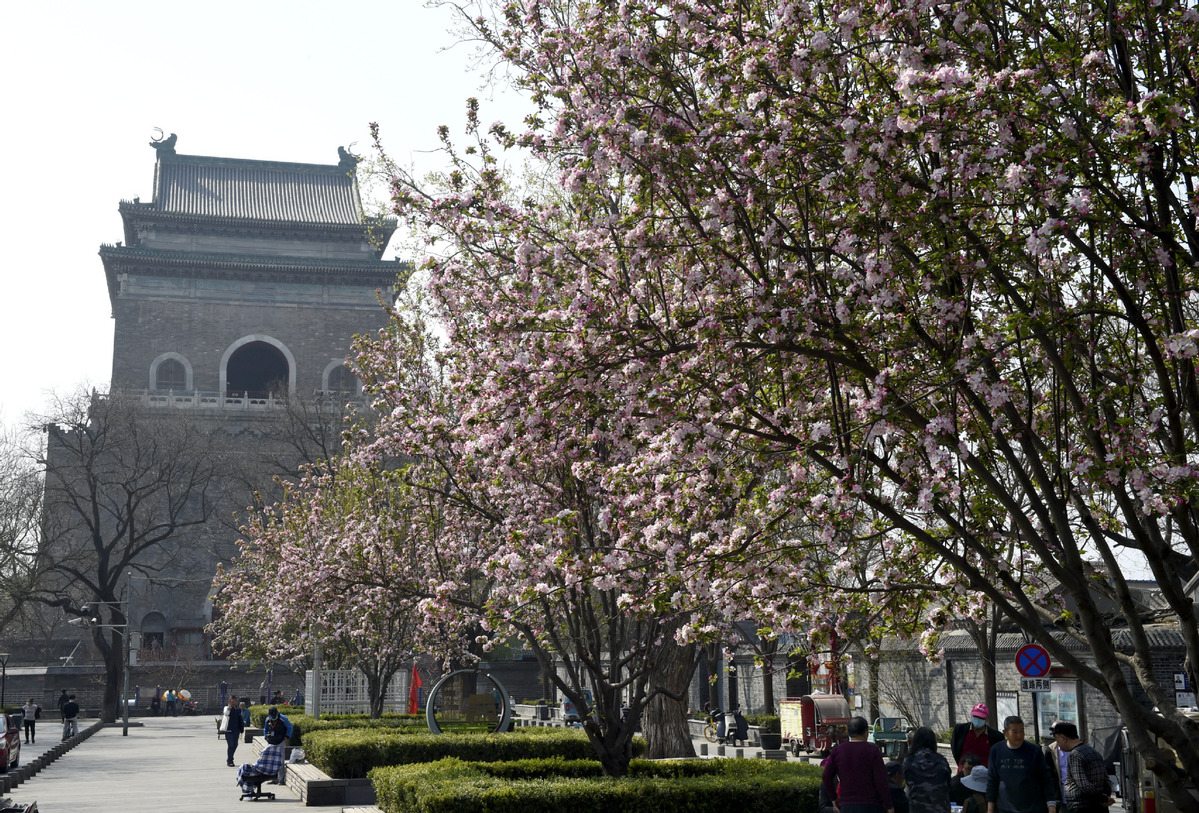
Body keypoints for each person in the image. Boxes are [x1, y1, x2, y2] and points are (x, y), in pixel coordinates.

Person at [822, 716, 896, 813]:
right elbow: (881, 780)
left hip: (847, 805)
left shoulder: (838, 750)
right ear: (866, 732)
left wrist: (833, 798)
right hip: (871, 805)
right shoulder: (873, 750)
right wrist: (888, 805)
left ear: (849, 733)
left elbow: (826, 776)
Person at [986, 716, 1057, 813]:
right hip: (1006, 808)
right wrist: (990, 808)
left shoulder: (1034, 750)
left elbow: (1046, 779)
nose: (1019, 735)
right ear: (1005, 733)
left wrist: (1051, 805)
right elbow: (992, 780)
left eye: (1022, 731)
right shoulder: (996, 751)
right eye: (1014, 732)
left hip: (1033, 808)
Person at [1050, 721, 1113, 813]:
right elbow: (1106, 780)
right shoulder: (1093, 751)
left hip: (1081, 806)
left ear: (1064, 738)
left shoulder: (1075, 755)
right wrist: (1104, 797)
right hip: (1099, 805)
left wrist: (1102, 798)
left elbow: (1083, 784)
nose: (1057, 743)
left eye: (1057, 739)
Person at [904, 726, 952, 813]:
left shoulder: (909, 760)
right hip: (940, 808)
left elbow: (908, 782)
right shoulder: (941, 760)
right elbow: (948, 782)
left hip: (918, 808)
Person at [953, 703, 1005, 770]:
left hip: (985, 774)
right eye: (975, 716)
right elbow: (955, 751)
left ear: (987, 718)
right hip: (963, 773)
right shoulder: (960, 730)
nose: (977, 720)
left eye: (981, 717)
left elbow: (998, 757)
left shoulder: (997, 736)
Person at [263, 706, 293, 785]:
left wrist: (287, 736)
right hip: (271, 742)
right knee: (272, 761)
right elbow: (265, 729)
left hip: (280, 742)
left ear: (277, 713)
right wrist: (265, 736)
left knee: (280, 761)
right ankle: (274, 778)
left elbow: (290, 727)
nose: (273, 717)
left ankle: (281, 779)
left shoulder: (283, 719)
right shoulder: (267, 719)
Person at [222, 695, 246, 766]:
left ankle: (230, 757)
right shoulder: (227, 708)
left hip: (236, 730)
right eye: (232, 700)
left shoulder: (238, 709)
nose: (234, 702)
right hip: (229, 730)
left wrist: (241, 728)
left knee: (235, 745)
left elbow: (240, 719)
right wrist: (229, 706)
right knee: (231, 745)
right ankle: (230, 760)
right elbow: (226, 713)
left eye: (235, 700)